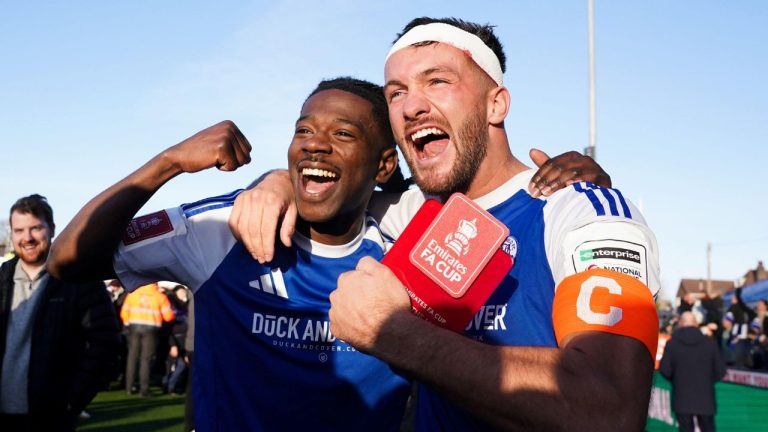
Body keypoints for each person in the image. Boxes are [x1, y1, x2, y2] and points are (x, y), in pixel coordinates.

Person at [232, 17, 660, 431]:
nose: (411, 106)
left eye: (437, 81)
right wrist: (276, 184)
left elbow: (608, 407)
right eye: (396, 93)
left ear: (496, 104)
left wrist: (395, 334)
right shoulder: (408, 213)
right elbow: (327, 189)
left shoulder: (578, 213)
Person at [0, 194, 120, 431]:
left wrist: (71, 401)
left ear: (52, 229)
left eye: (35, 228)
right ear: (11, 234)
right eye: (19, 230)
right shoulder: (2, 279)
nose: (27, 238)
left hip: (51, 417)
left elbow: (106, 344)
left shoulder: (80, 278)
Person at [660, 311, 726, 432]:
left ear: (680, 323)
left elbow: (665, 370)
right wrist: (707, 381)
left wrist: (677, 380)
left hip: (682, 397)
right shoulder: (709, 343)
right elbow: (721, 371)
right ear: (696, 323)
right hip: (705, 398)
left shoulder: (672, 344)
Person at [120, 281, 175, 396]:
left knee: (132, 357)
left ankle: (129, 387)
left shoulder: (133, 294)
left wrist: (128, 323)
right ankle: (144, 389)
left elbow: (124, 313)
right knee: (146, 359)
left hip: (134, 327)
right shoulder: (160, 296)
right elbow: (168, 316)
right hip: (151, 329)